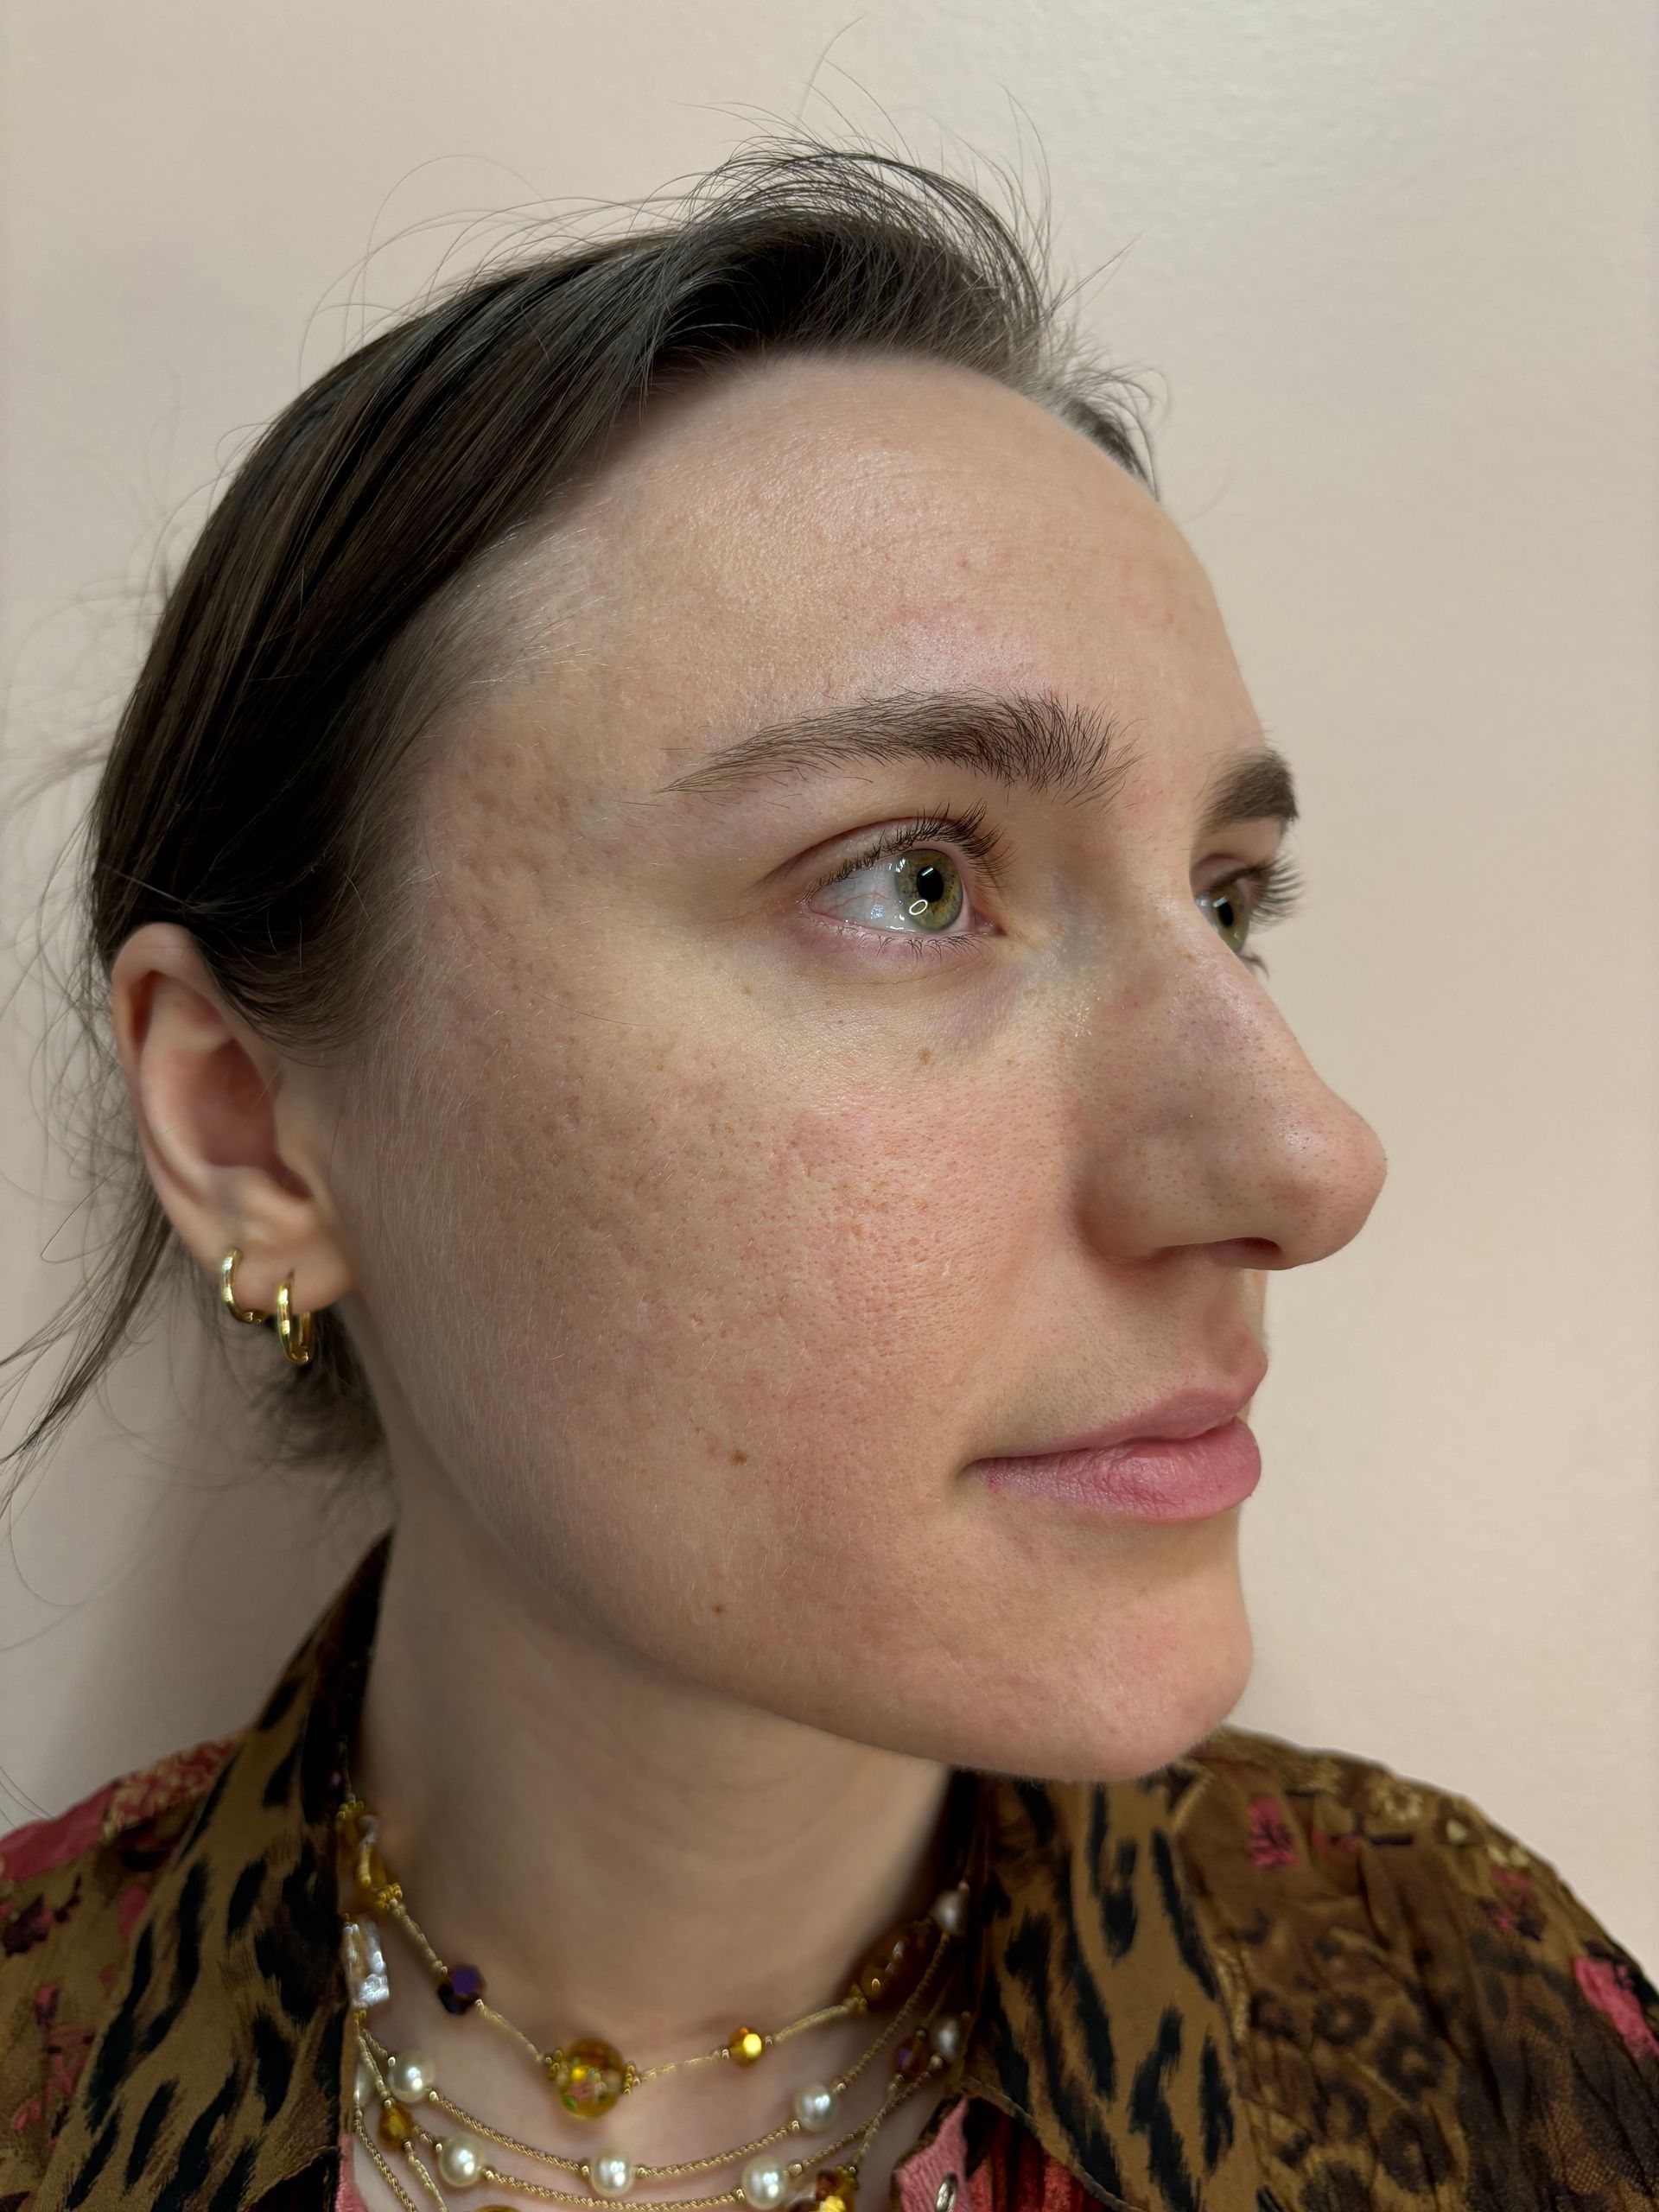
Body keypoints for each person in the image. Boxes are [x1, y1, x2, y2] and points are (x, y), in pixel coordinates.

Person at [2, 137, 1655, 2212]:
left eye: (1232, 899)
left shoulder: (1487, 2040)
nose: (1305, 1160)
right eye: (912, 878)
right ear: (250, 1128)